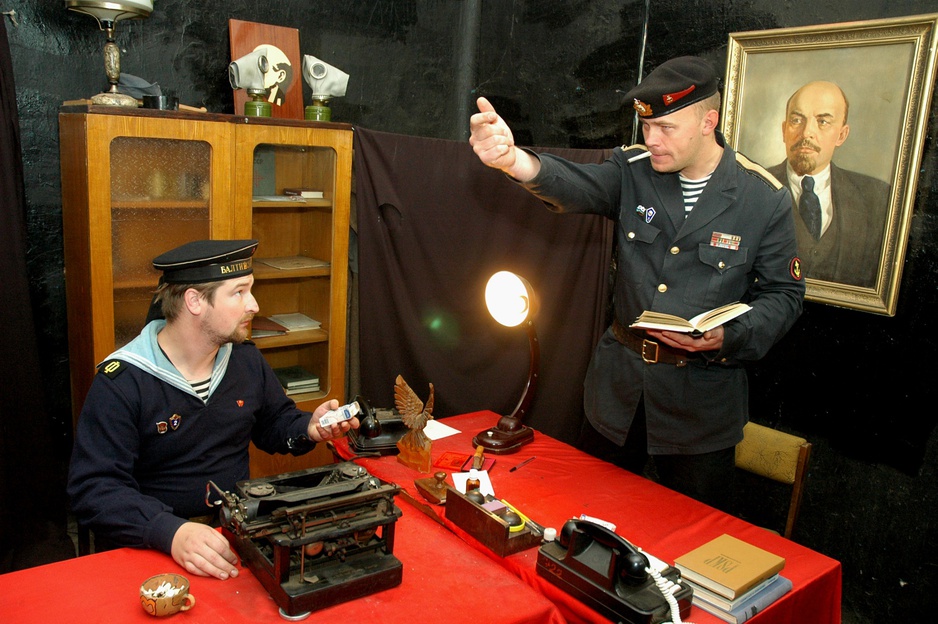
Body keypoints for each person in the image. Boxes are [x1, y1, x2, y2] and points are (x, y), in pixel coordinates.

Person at [469, 56, 804, 513]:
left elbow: (784, 295)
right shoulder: (633, 171)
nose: (652, 140)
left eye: (667, 127)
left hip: (700, 409)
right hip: (617, 396)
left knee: (686, 541)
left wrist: (730, 335)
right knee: (587, 523)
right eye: (646, 127)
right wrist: (514, 161)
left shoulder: (762, 198)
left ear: (710, 121)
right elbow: (574, 183)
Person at [67, 239, 358, 580]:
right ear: (194, 301)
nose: (254, 304)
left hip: (231, 537)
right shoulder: (123, 382)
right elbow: (95, 489)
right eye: (239, 292)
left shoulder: (245, 360)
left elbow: (274, 422)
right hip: (150, 544)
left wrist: (307, 426)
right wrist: (170, 532)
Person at [768, 80, 890, 287]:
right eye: (797, 120)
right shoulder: (752, 187)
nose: (807, 133)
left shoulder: (876, 198)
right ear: (784, 130)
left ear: (842, 135)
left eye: (823, 122)